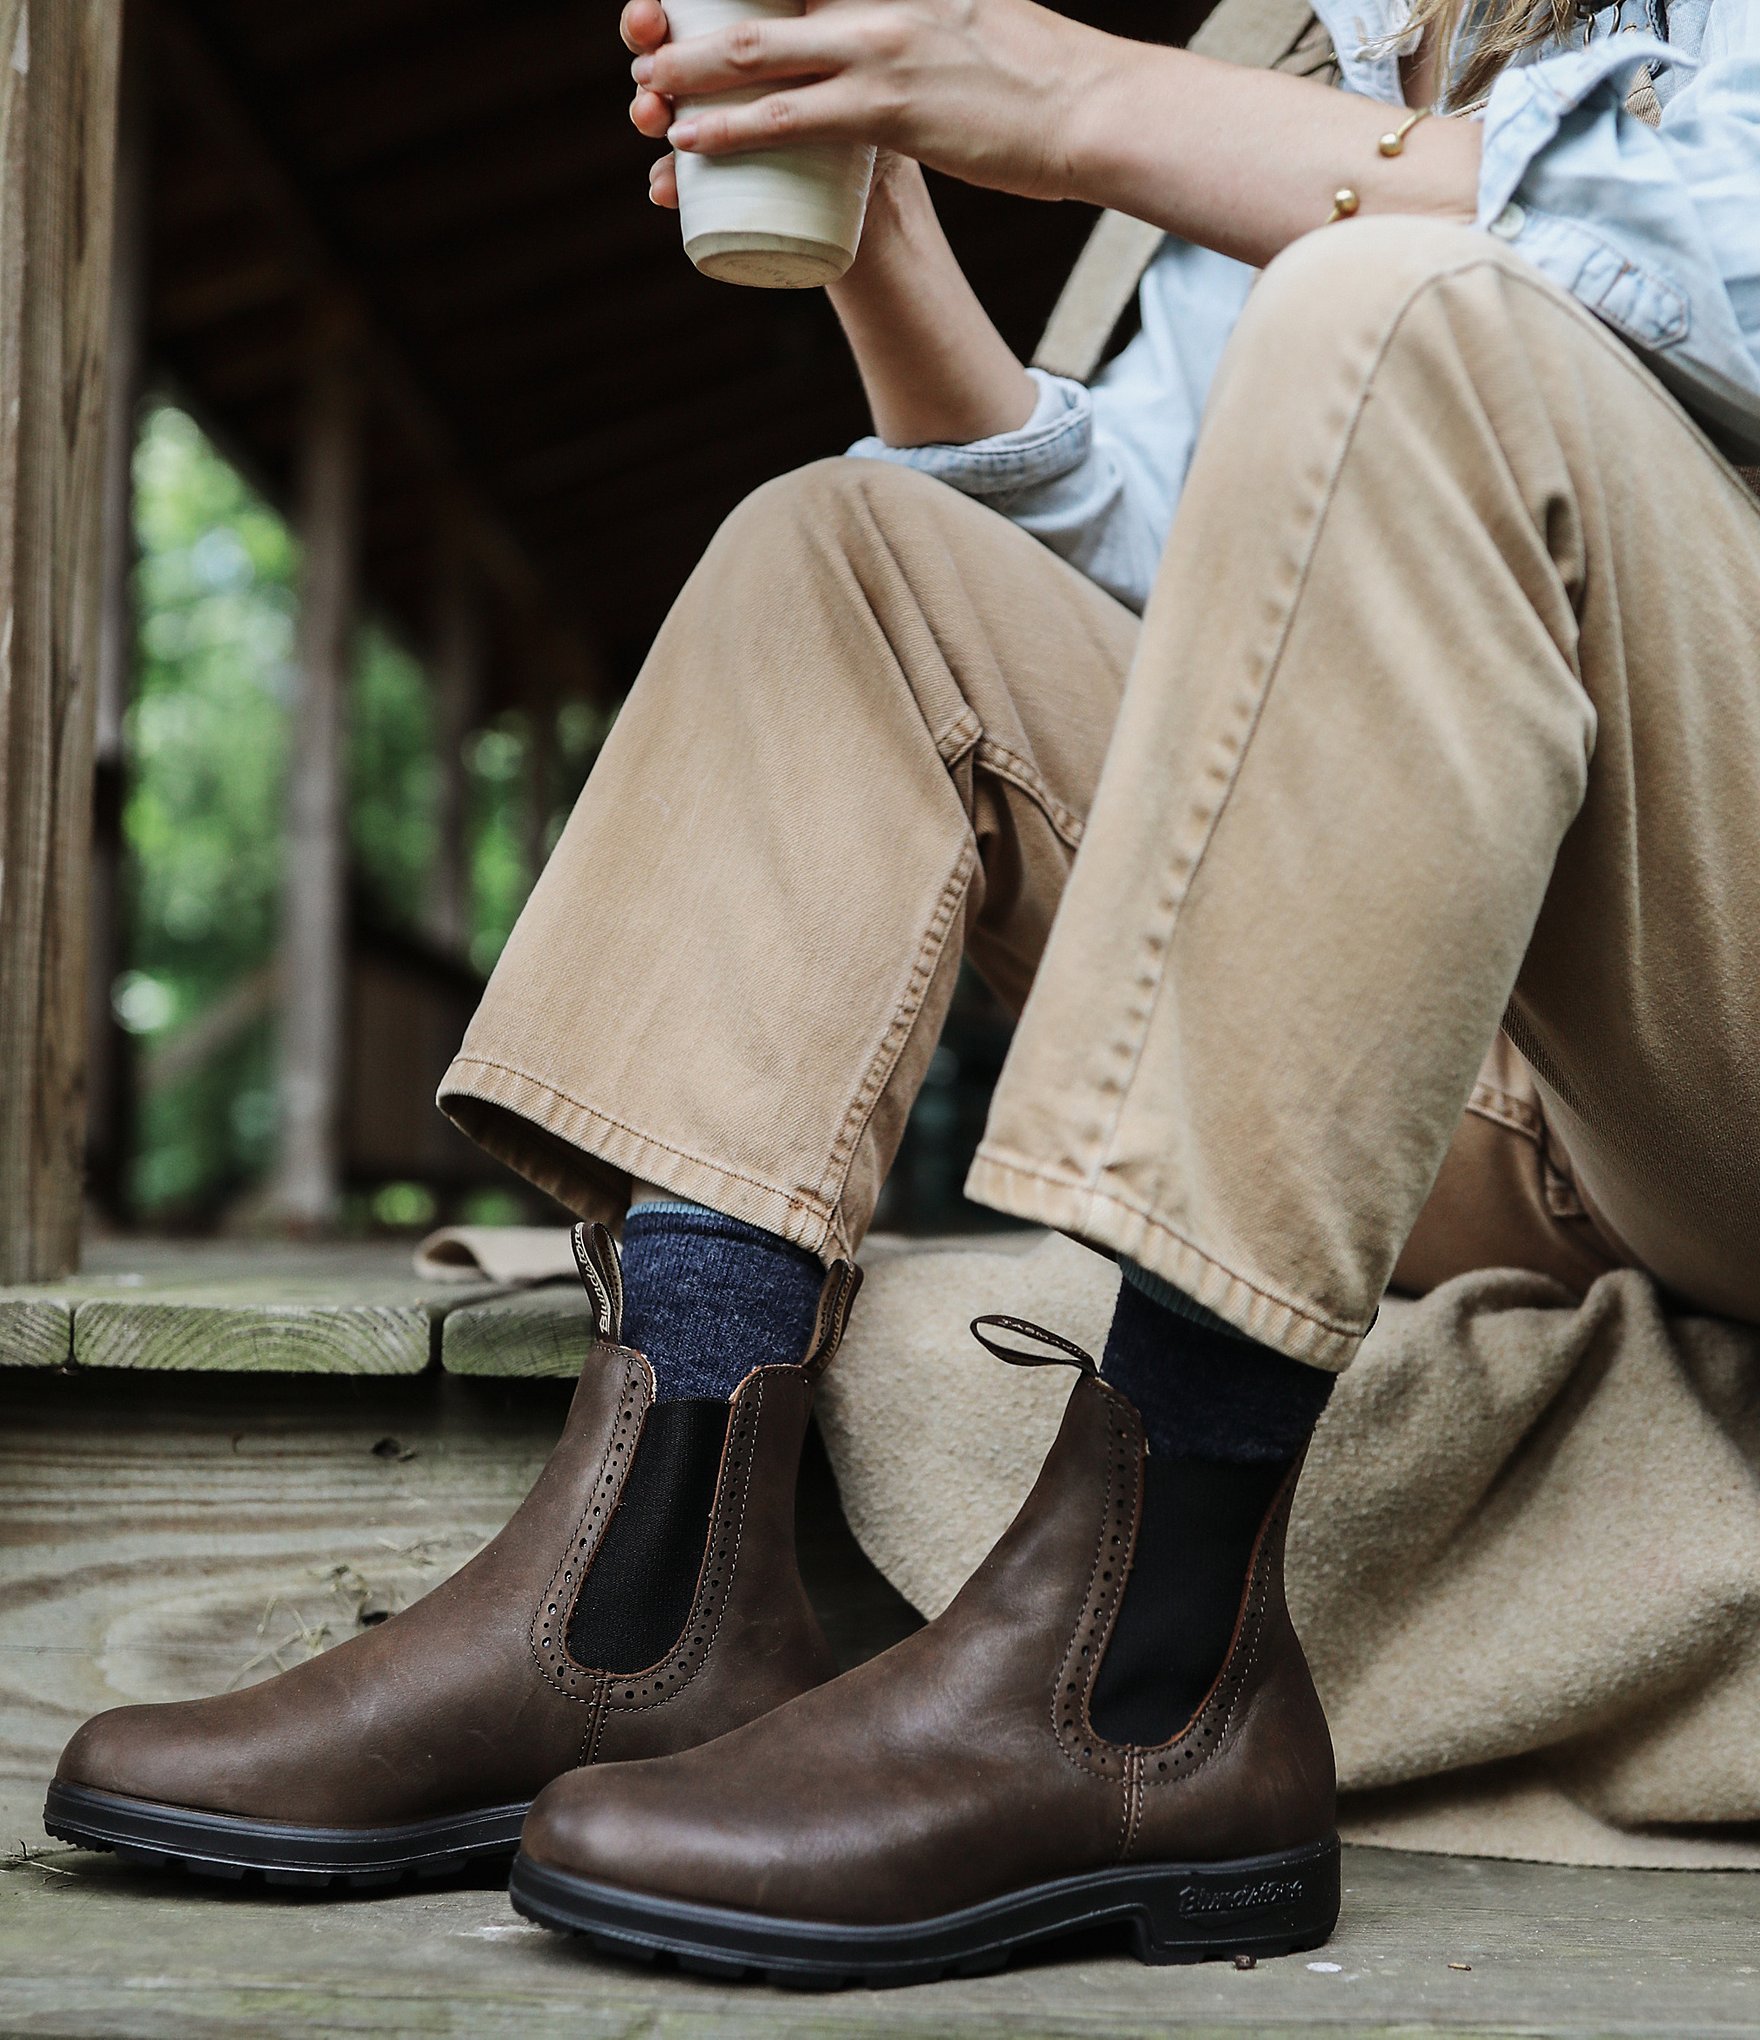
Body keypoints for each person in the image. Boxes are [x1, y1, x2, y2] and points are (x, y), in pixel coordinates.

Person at [49, 0, 1760, 1986]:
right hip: (1483, 1077)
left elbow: (1705, 256)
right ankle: (645, 1591)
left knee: (1403, 309)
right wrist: (881, 234)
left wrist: (1074, 94)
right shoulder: (1342, 40)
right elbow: (1196, 547)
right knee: (852, 552)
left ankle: (1148, 1670)